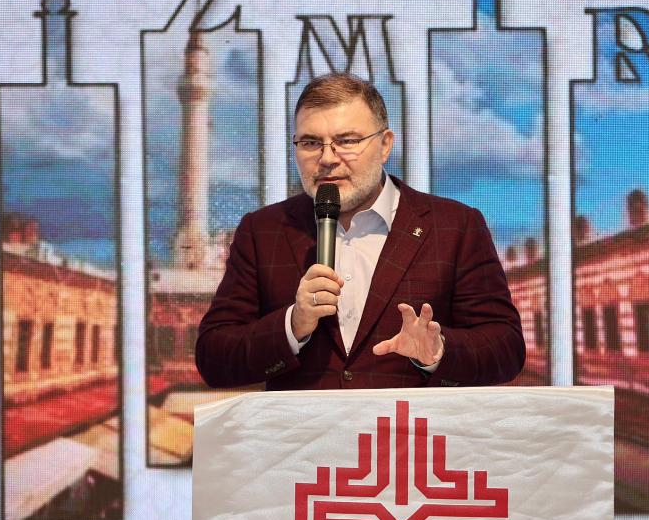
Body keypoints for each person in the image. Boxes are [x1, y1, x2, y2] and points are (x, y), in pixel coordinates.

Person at [195, 73, 525, 390]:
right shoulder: (264, 230)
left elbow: (506, 349)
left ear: (384, 145)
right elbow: (214, 357)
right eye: (310, 143)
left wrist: (437, 350)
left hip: (408, 428)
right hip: (304, 431)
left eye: (347, 141)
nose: (327, 158)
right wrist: (292, 325)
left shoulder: (454, 227)